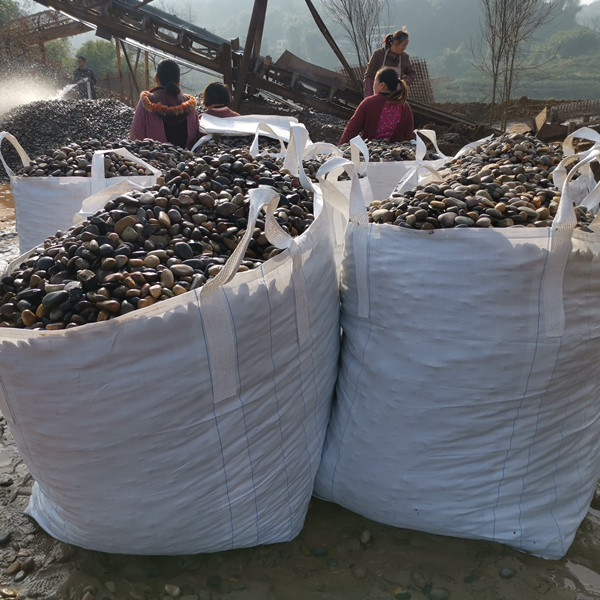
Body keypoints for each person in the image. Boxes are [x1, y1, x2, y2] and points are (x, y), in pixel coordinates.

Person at [129, 59, 201, 149]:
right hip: (186, 157)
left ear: (156, 78)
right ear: (178, 81)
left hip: (155, 157)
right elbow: (196, 139)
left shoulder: (147, 102)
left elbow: (135, 137)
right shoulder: (189, 105)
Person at [339, 67, 414, 145]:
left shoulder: (369, 103)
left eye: (375, 81)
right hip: (395, 150)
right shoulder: (404, 106)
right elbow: (408, 134)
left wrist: (340, 147)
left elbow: (352, 129)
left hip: (370, 149)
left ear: (382, 85)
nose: (373, 85)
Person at [363, 28, 416, 98]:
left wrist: (403, 82)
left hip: (395, 97)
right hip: (377, 96)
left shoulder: (404, 58)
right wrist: (369, 97)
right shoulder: (378, 54)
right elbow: (369, 77)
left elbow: (412, 74)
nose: (404, 48)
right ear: (396, 43)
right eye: (403, 45)